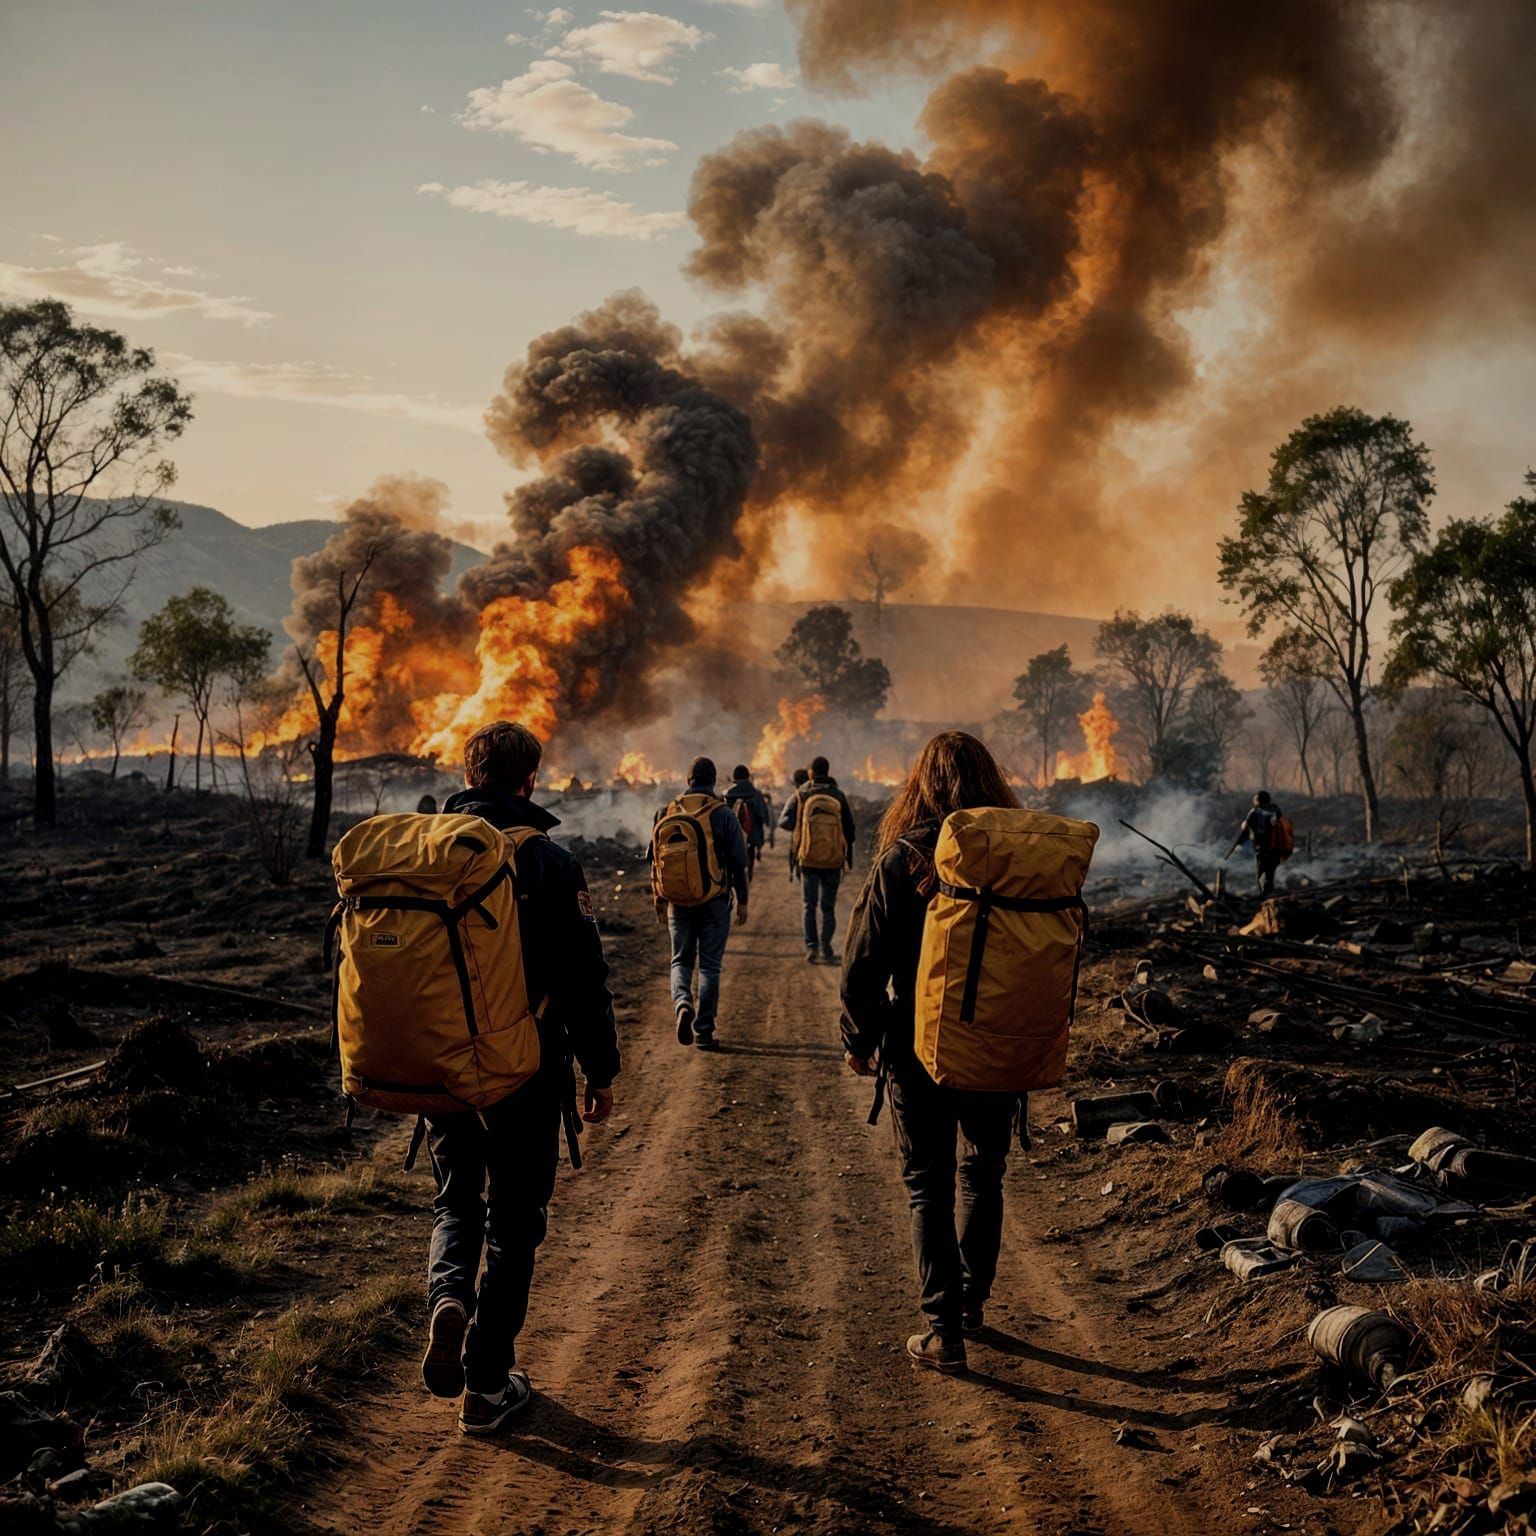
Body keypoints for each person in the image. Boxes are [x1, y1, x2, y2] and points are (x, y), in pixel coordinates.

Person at [423, 721, 619, 1434]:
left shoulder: (424, 852)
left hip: (443, 1069)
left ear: (466, 773)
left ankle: (447, 1296)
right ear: (529, 781)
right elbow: (583, 981)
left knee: (456, 1205)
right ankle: (484, 1385)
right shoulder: (549, 862)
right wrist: (601, 1069)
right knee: (513, 1226)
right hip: (524, 1072)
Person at [840, 731, 1023, 1374]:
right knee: (984, 1172)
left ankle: (944, 1331)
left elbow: (862, 967)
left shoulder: (905, 858)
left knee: (928, 1187)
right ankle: (971, 1304)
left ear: (922, 783)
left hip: (920, 1046)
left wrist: (859, 1040)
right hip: (998, 1043)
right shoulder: (1014, 857)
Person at [653, 756, 750, 1051]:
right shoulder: (722, 813)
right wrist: (743, 901)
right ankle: (704, 1031)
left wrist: (659, 898)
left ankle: (682, 1001)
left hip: (677, 902)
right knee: (709, 965)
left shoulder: (667, 810)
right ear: (713, 780)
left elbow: (654, 858)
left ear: (688, 780)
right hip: (714, 900)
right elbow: (739, 861)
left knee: (680, 960)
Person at [779, 755, 856, 964]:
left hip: (807, 859)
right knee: (828, 907)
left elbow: (783, 822)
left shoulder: (801, 793)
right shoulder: (837, 795)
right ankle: (827, 947)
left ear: (811, 772)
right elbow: (850, 829)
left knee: (809, 905)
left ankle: (811, 947)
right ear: (828, 771)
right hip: (832, 860)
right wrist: (848, 857)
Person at [1226, 790, 1285, 895]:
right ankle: (1269, 894)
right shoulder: (1276, 811)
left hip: (1262, 849)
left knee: (1261, 873)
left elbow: (1245, 831)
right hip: (1277, 849)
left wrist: (1237, 845)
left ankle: (1264, 896)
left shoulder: (1255, 812)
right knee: (1270, 874)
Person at [724, 763, 770, 881]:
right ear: (748, 777)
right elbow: (762, 815)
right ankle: (749, 875)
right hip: (752, 834)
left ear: (734, 778)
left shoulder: (728, 795)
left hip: (733, 834)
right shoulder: (756, 794)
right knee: (751, 853)